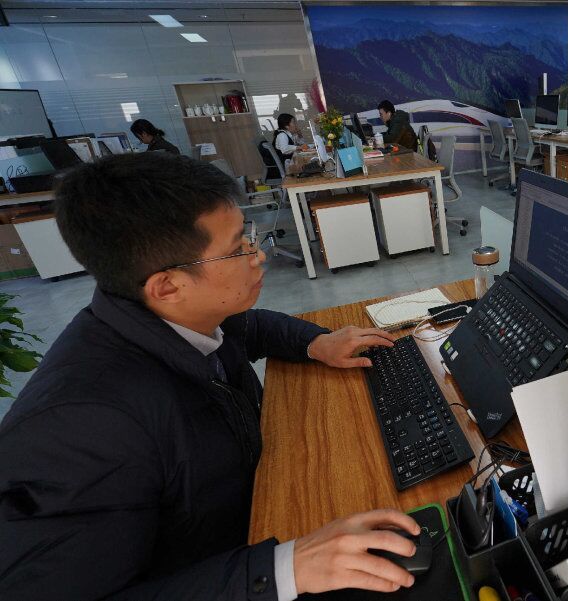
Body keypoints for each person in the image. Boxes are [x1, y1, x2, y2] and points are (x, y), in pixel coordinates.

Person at [0, 152, 423, 600]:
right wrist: (283, 568)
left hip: (257, 514)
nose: (258, 256)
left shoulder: (169, 314)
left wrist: (315, 342)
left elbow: (251, 327)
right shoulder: (82, 427)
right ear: (167, 285)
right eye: (239, 248)